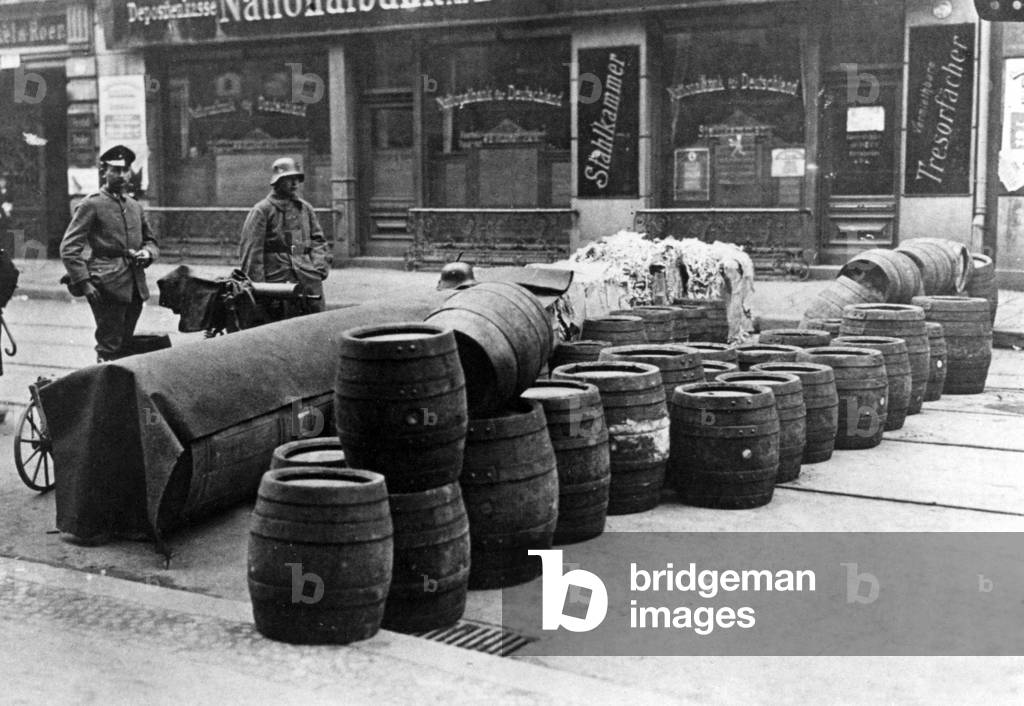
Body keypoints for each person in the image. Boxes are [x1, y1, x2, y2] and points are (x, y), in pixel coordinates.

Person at [60, 145, 159, 363]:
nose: (122, 175)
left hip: (135, 284)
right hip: (106, 284)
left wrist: (147, 253)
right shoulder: (92, 204)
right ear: (104, 171)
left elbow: (151, 241)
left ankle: (119, 391)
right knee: (109, 344)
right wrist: (84, 282)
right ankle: (106, 391)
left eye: (125, 170)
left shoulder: (134, 206)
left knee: (125, 342)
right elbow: (69, 248)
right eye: (115, 170)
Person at [238, 157, 331, 320]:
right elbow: (252, 253)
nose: (294, 183)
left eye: (296, 179)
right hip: (276, 278)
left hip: (307, 276)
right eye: (289, 179)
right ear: (277, 181)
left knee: (313, 324)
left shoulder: (304, 208)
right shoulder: (262, 210)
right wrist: (260, 288)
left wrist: (319, 267)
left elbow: (317, 240)